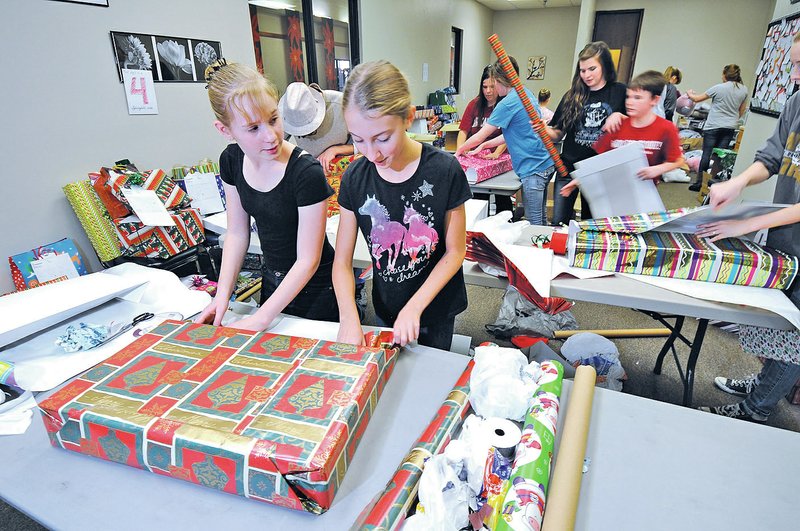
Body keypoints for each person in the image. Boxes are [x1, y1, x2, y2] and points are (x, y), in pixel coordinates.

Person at [695, 32, 800, 424]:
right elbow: (771, 158)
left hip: (786, 225)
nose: (795, 73)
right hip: (787, 235)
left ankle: (757, 409)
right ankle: (763, 384)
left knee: (794, 336)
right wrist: (737, 183)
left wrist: (752, 222)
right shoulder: (796, 101)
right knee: (777, 318)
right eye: (793, 63)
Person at [334, 60, 471, 350]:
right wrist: (348, 316)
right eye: (358, 140)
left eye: (382, 138)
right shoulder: (355, 179)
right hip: (387, 303)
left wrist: (415, 306)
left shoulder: (445, 170)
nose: (372, 153)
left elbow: (456, 250)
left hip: (434, 306)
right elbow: (342, 263)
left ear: (409, 118)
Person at [195, 60, 338, 331]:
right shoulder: (231, 161)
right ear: (225, 130)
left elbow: (308, 259)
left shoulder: (305, 172)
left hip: (316, 286)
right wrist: (221, 298)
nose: (271, 136)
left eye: (274, 119)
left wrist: (262, 317)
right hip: (273, 281)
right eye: (253, 128)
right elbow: (237, 233)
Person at [455, 57, 554, 225]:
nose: (491, 89)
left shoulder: (507, 103)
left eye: (494, 84)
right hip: (545, 163)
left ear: (500, 80)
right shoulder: (524, 93)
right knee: (542, 221)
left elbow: (480, 135)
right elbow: (514, 134)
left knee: (534, 224)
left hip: (533, 168)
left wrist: (458, 152)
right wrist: (485, 145)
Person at [560, 69, 684, 201]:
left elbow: (678, 160)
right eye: (628, 97)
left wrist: (658, 169)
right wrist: (579, 180)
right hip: (610, 195)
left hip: (642, 197)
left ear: (654, 100)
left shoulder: (666, 128)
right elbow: (600, 160)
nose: (630, 102)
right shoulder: (617, 125)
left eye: (637, 98)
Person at [548, 41, 627, 225]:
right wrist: (541, 129)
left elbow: (637, 127)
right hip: (568, 168)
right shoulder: (572, 95)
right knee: (559, 222)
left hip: (599, 170)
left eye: (592, 69)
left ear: (605, 66)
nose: (587, 75)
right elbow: (558, 134)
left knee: (593, 224)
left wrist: (620, 116)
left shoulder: (620, 92)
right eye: (583, 70)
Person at [456, 65, 511, 214]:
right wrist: (461, 150)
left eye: (492, 86)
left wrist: (497, 153)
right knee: (479, 198)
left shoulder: (505, 105)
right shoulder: (474, 105)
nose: (488, 91)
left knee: (502, 198)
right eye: (484, 86)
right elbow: (463, 131)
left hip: (499, 158)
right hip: (477, 157)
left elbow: (508, 135)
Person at [686, 64, 748, 191]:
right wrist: (732, 120)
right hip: (729, 127)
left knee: (706, 155)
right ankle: (713, 184)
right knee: (720, 157)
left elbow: (697, 99)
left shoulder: (719, 88)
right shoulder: (744, 90)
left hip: (713, 126)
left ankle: (699, 184)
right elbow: (741, 111)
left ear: (725, 75)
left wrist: (689, 93)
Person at [279, 82, 354, 174]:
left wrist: (335, 150)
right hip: (311, 168)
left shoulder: (344, 104)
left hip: (346, 167)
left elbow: (367, 145)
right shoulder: (289, 111)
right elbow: (278, 145)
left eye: (310, 131)